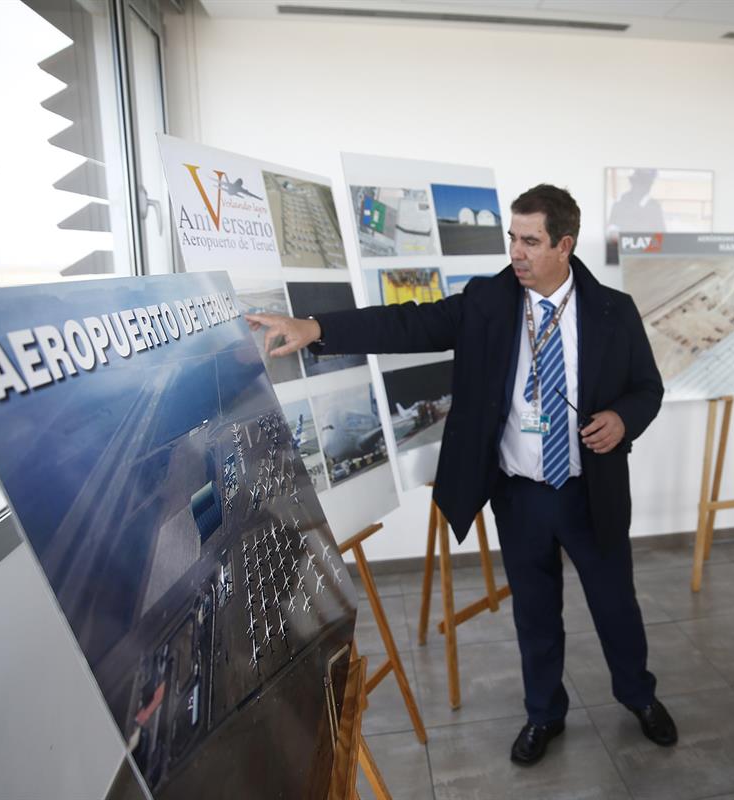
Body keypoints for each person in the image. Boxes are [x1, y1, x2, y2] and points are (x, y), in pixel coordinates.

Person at [246, 184, 677, 765]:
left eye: (530, 241)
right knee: (534, 612)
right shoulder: (487, 301)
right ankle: (544, 713)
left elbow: (648, 389)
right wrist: (316, 329)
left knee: (615, 605)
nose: (516, 252)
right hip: (520, 494)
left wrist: (623, 419)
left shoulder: (612, 311)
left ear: (564, 246)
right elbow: (408, 325)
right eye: (511, 238)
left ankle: (639, 696)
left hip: (588, 491)